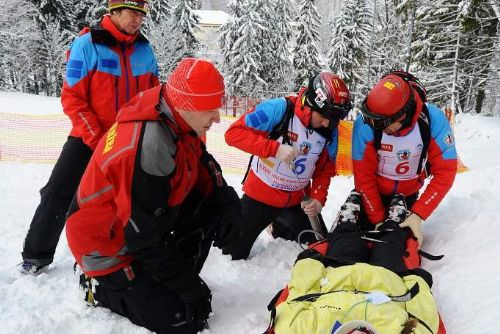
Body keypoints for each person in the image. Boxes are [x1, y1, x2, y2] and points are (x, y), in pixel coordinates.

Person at [66, 58, 241, 333]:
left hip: (138, 223)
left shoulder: (173, 112)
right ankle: (98, 286)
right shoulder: (150, 145)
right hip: (105, 245)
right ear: (186, 105)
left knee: (213, 208)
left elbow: (203, 161)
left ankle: (161, 279)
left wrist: (229, 204)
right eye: (211, 109)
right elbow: (143, 239)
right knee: (184, 319)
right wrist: (190, 289)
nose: (217, 117)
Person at [19, 0, 159, 274]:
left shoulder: (145, 49)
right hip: (88, 137)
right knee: (58, 192)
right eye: (133, 13)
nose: (138, 20)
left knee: (132, 199)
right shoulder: (87, 45)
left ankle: (127, 251)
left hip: (128, 140)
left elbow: (153, 95)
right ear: (115, 11)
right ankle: (36, 255)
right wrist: (97, 138)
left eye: (142, 15)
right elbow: (73, 98)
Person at [269, 195, 445, 334]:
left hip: (339, 273)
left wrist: (311, 262)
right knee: (391, 241)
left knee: (346, 239)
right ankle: (393, 223)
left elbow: (297, 296)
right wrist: (414, 279)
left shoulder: (304, 329)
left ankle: (347, 222)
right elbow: (423, 314)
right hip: (388, 279)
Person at [224, 72, 352, 260]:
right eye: (324, 116)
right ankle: (274, 222)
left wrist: (317, 198)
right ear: (311, 103)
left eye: (334, 118)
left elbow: (325, 170)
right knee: (230, 254)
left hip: (296, 201)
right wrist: (273, 149)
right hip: (260, 196)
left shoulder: (330, 130)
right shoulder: (279, 109)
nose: (327, 123)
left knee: (323, 250)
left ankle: (279, 225)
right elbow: (233, 134)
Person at [339, 70, 457, 247]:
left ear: (402, 115)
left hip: (408, 196)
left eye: (381, 122)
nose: (375, 126)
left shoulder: (434, 120)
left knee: (395, 247)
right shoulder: (365, 124)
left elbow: (446, 172)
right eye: (372, 120)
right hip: (372, 194)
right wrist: (377, 219)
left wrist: (418, 214)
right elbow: (364, 177)